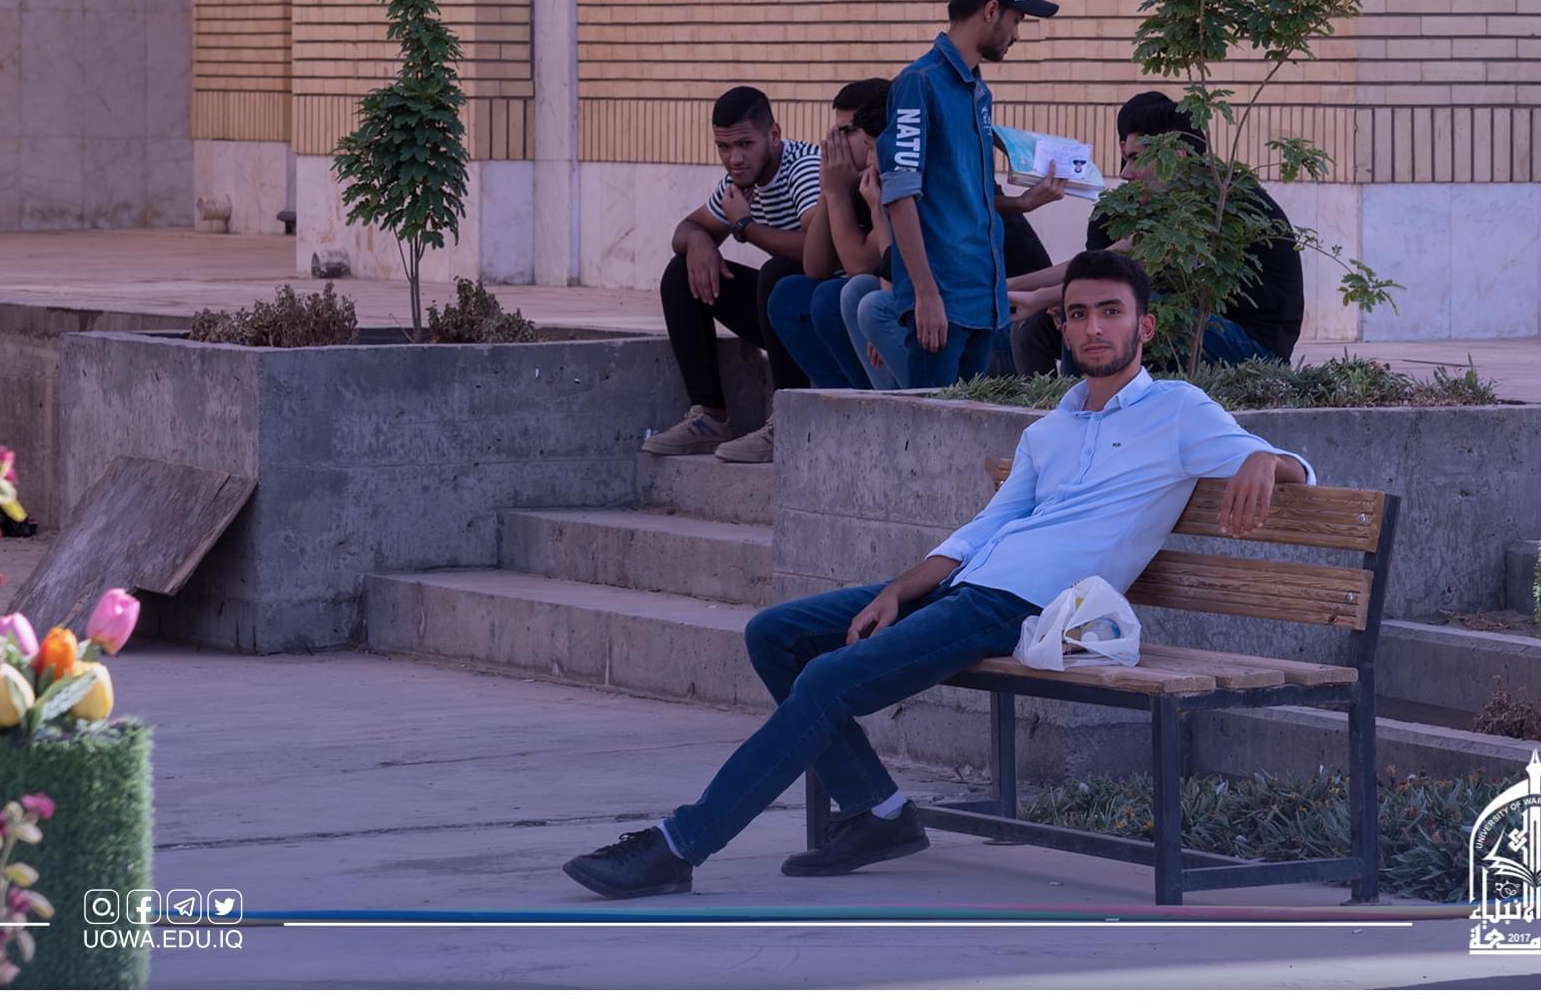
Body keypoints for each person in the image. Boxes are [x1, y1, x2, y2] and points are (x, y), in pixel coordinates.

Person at [562, 249, 1315, 898]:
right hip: (965, 586)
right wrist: (899, 589)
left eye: (1110, 312)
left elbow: (1296, 469)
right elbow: (985, 528)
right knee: (776, 634)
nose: (1094, 327)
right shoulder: (1050, 430)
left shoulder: (1178, 411)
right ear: (1062, 326)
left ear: (1143, 327)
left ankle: (680, 845)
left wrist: (1262, 456)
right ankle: (880, 813)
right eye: (1079, 314)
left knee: (828, 680)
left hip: (1019, 607)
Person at [1008, 92, 1306, 376]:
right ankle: (1047, 405)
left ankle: (1088, 407)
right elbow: (1102, 263)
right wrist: (1008, 288)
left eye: (1136, 158)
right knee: (1040, 323)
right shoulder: (1161, 204)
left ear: (1175, 156)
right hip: (1194, 325)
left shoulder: (1217, 200)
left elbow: (1114, 278)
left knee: (1098, 312)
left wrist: (1042, 298)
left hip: (1252, 346)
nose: (1125, 173)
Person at [875, 0, 1058, 388]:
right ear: (991, 10)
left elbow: (962, 191)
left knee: (968, 425)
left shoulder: (978, 90)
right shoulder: (919, 83)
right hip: (941, 302)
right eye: (1016, 19)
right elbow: (900, 195)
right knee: (929, 425)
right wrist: (925, 294)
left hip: (982, 300)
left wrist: (1021, 204)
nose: (1017, 34)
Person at [644, 86, 820, 463]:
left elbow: (816, 251)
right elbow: (686, 229)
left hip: (826, 318)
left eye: (745, 144)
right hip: (783, 315)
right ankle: (709, 417)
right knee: (681, 272)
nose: (734, 159)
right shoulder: (739, 179)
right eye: (723, 147)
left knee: (779, 274)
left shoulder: (803, 168)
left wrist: (744, 227)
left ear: (774, 134)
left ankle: (788, 420)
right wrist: (699, 241)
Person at [765, 79, 894, 390]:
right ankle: (840, 400)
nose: (835, 142)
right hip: (870, 299)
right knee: (786, 293)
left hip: (905, 303)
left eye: (846, 132)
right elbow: (815, 266)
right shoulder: (855, 177)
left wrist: (836, 194)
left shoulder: (892, 176)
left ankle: (865, 399)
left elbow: (860, 266)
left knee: (830, 299)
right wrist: (829, 189)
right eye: (834, 131)